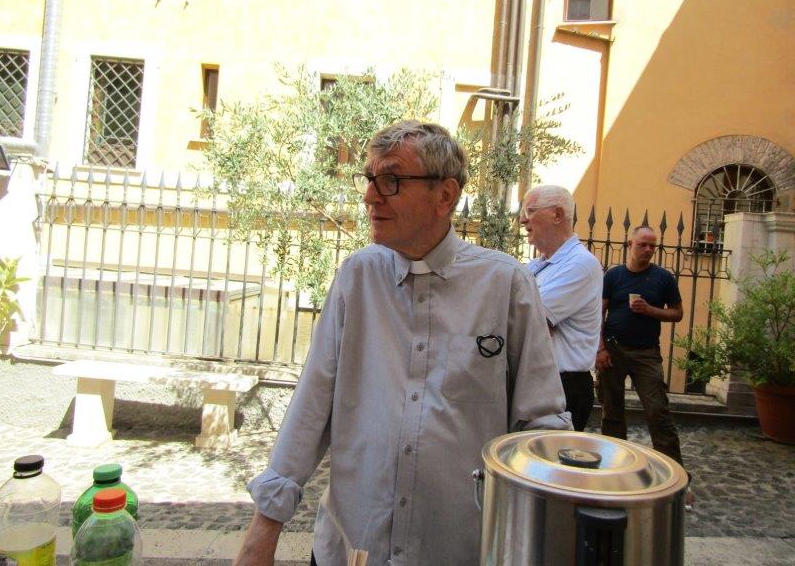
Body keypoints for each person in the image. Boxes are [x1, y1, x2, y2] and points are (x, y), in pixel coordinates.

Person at [234, 120, 571, 566]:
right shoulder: (357, 277)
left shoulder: (505, 284)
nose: (370, 196)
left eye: (391, 180)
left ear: (445, 195)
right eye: (370, 178)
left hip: (457, 550)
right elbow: (314, 400)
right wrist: (264, 528)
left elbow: (539, 423)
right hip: (352, 545)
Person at [595, 225, 686, 466]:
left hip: (646, 352)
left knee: (658, 411)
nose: (647, 249)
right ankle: (614, 464)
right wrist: (600, 349)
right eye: (642, 244)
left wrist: (649, 310)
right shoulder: (613, 276)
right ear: (630, 245)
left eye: (652, 246)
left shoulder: (663, 278)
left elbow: (677, 313)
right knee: (611, 411)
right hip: (613, 349)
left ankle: (673, 468)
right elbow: (598, 313)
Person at [520, 185, 603, 431]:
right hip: (541, 382)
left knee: (551, 455)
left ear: (557, 215)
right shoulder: (538, 265)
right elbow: (514, 314)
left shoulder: (580, 264)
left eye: (530, 210)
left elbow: (527, 321)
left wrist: (534, 321)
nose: (523, 220)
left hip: (564, 387)